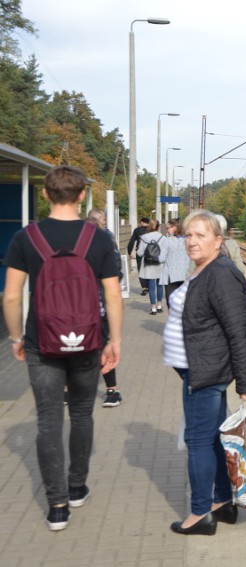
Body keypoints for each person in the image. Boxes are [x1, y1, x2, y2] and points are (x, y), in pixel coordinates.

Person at [2, 165, 123, 531]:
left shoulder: (27, 238)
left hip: (42, 340)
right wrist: (114, 340)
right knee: (83, 413)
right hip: (87, 341)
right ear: (83, 195)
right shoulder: (98, 239)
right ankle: (77, 486)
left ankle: (57, 506)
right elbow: (113, 294)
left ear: (44, 194)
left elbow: (10, 296)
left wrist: (16, 338)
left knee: (48, 420)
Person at [163, 209, 246, 535]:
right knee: (213, 439)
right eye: (188, 235)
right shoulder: (204, 269)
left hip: (206, 372)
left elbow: (239, 329)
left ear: (218, 241)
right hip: (199, 368)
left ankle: (199, 514)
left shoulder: (220, 273)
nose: (192, 242)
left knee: (198, 442)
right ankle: (222, 502)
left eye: (200, 235)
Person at [85, 209, 123, 408]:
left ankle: (68, 390)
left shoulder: (75, 240)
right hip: (100, 303)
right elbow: (117, 271)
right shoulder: (106, 239)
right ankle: (112, 391)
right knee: (102, 346)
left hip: (81, 305)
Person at [159, 217, 192, 308]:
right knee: (184, 303)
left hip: (171, 276)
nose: (167, 230)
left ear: (174, 227)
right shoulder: (188, 240)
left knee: (171, 303)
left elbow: (161, 258)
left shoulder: (168, 241)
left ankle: (173, 321)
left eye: (168, 227)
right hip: (186, 275)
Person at [138, 219, 165, 314]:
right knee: (160, 284)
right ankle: (160, 305)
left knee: (151, 285)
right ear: (158, 227)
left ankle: (153, 307)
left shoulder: (144, 237)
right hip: (160, 263)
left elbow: (140, 253)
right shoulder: (163, 238)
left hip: (148, 263)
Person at [127, 217, 150, 294]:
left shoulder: (137, 230)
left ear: (141, 222)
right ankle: (150, 285)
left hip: (140, 253)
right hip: (150, 253)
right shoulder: (151, 230)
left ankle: (144, 287)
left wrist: (129, 252)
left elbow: (132, 242)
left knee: (141, 269)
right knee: (149, 269)